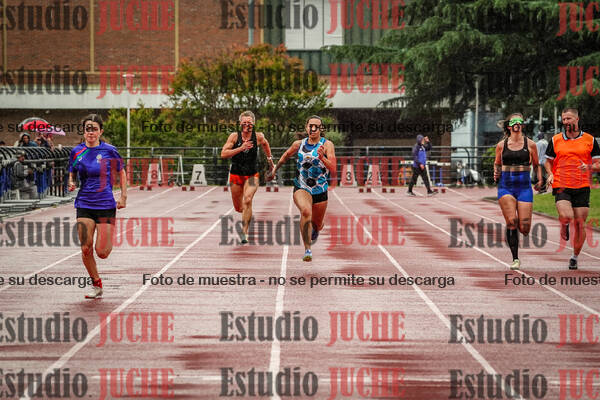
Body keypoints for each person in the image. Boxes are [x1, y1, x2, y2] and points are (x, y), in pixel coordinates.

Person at [68, 114, 127, 299]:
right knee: (86, 248)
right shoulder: (77, 151)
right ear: (83, 131)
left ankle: (107, 235)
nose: (91, 132)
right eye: (87, 129)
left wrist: (123, 196)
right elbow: (72, 172)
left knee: (102, 252)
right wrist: (71, 182)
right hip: (84, 203)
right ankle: (96, 284)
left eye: (94, 129)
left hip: (105, 204)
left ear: (100, 131)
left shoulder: (110, 150)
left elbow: (122, 172)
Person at [267, 116, 336, 262]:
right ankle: (307, 249)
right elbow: (286, 155)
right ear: (306, 127)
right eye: (310, 126)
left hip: (320, 189)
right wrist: (274, 170)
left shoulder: (327, 145)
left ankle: (317, 228)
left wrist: (322, 158)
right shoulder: (299, 144)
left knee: (317, 225)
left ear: (321, 129)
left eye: (316, 126)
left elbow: (333, 168)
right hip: (301, 186)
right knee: (305, 211)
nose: (313, 129)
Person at [544, 108, 600, 270]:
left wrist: (588, 166)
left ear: (577, 119)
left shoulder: (590, 140)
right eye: (564, 119)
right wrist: (550, 174)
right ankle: (564, 223)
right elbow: (548, 161)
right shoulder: (555, 140)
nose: (566, 122)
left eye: (569, 118)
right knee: (566, 215)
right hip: (561, 184)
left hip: (582, 186)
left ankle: (574, 257)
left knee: (580, 224)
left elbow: (598, 163)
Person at [494, 113, 543, 270]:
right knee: (511, 221)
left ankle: (522, 229)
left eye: (520, 121)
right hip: (506, 186)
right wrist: (496, 172)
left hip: (524, 187)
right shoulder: (501, 145)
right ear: (509, 126)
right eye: (514, 121)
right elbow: (497, 163)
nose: (517, 123)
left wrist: (540, 179)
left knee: (524, 228)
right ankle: (515, 258)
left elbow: (536, 165)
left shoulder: (531, 144)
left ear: (522, 125)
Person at [221, 111, 274, 244]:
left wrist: (269, 159)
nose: (247, 125)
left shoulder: (258, 136)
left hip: (252, 174)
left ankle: (244, 232)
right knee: (239, 208)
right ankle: (246, 214)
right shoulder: (234, 137)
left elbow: (265, 144)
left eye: (249, 122)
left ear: (253, 123)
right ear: (240, 124)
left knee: (248, 199)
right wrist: (241, 148)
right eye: (244, 122)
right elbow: (224, 154)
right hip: (236, 174)